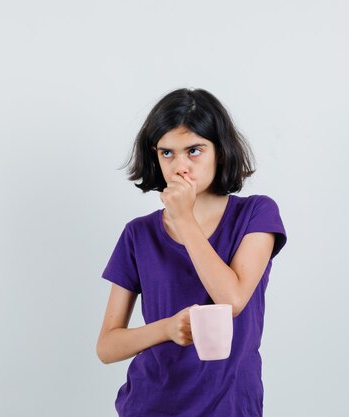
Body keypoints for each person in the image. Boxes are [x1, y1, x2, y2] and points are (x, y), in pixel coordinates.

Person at [95, 88, 287, 417]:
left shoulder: (256, 214)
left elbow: (232, 300)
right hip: (150, 405)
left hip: (230, 407)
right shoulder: (138, 234)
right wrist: (167, 329)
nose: (179, 166)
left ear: (220, 152)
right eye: (167, 153)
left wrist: (184, 218)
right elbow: (107, 347)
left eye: (194, 150)